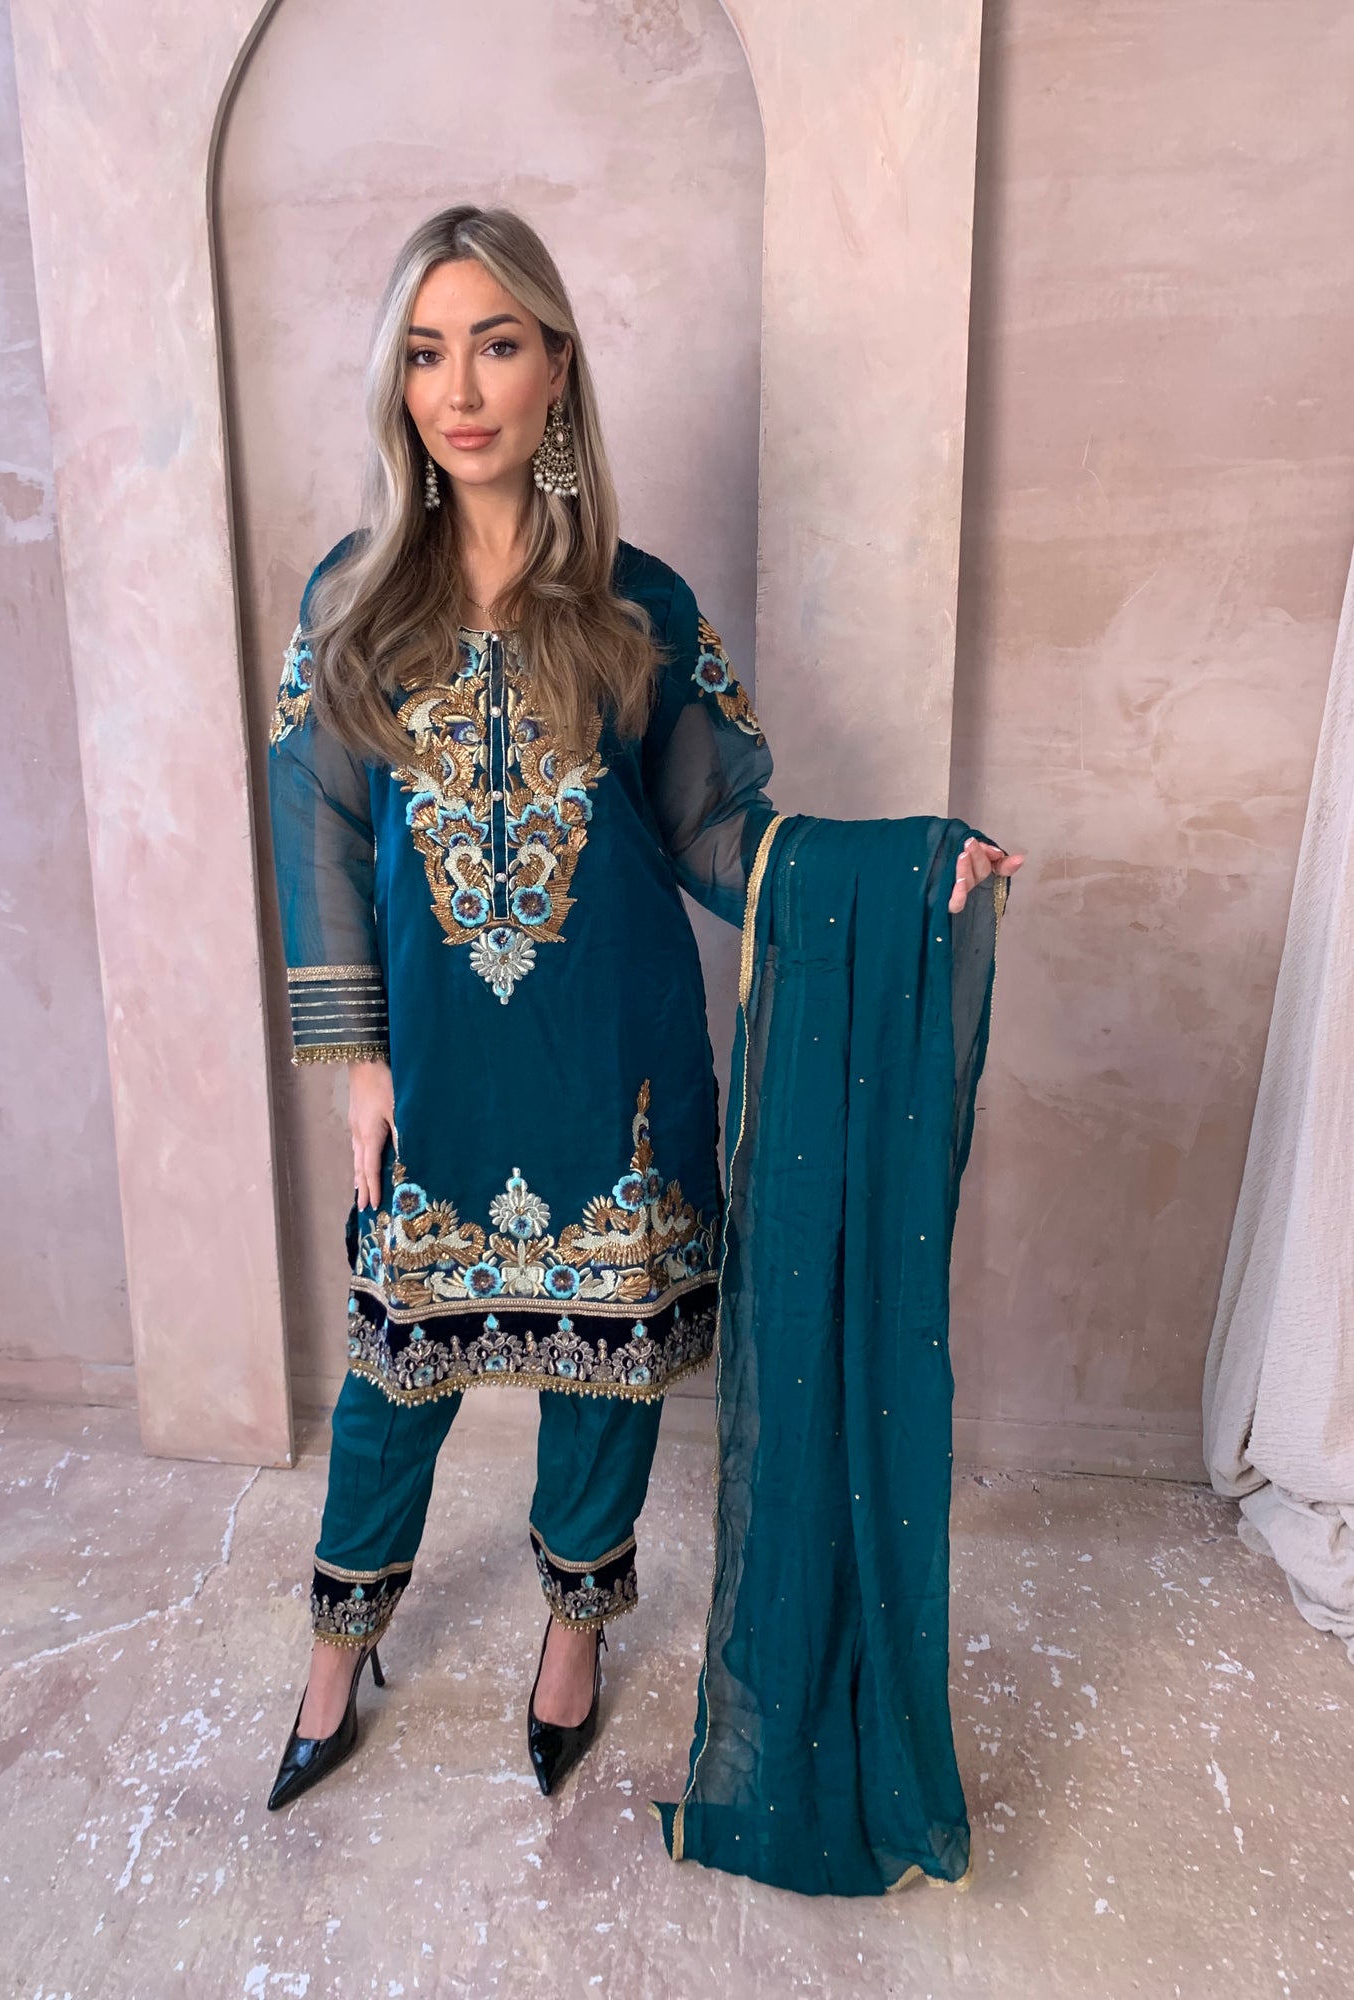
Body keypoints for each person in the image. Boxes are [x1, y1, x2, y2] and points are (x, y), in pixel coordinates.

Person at [263, 204, 1021, 1814]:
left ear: (556, 367)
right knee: (399, 1363)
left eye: (495, 345)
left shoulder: (640, 608)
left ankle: (573, 1632)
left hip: (615, 1056)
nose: (459, 390)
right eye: (425, 353)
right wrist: (358, 1063)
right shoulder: (354, 601)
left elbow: (716, 831)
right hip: (438, 1062)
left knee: (601, 1357)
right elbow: (317, 831)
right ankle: (337, 1651)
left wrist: (906, 879)